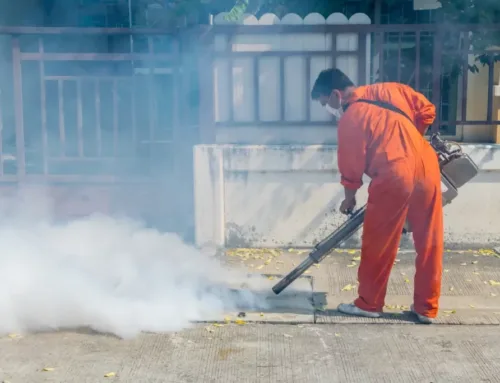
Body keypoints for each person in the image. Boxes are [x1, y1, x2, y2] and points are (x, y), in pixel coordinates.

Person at [311, 69, 443, 324]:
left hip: (394, 174)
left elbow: (351, 169)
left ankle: (369, 303)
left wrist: (349, 199)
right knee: (430, 241)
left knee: (379, 242)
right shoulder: (392, 89)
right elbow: (427, 110)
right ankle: (427, 308)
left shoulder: (351, 118)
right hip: (427, 165)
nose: (330, 110)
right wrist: (410, 142)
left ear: (337, 95)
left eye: (327, 104)